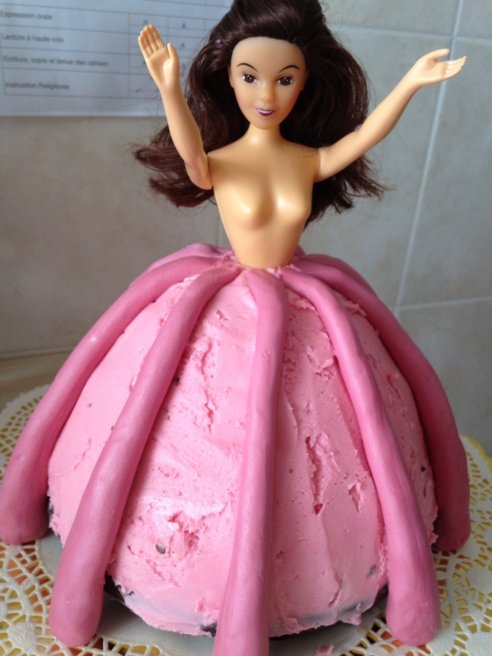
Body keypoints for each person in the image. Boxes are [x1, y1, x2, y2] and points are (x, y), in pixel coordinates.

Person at [0, 2, 469, 655]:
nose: (266, 93)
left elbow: (365, 137)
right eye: (250, 76)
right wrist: (168, 87)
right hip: (215, 293)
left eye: (285, 78)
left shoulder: (307, 159)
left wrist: (411, 84)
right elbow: (191, 156)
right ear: (228, 78)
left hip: (305, 298)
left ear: (306, 84)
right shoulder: (219, 159)